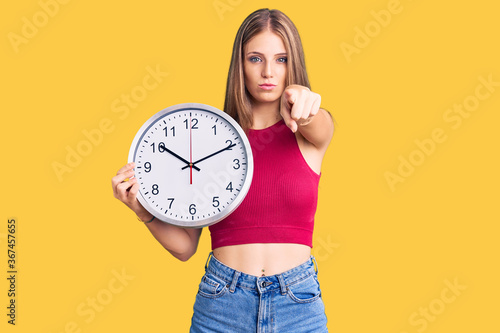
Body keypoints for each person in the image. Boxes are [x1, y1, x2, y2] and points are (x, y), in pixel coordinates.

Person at [112, 8, 334, 332]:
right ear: (240, 65)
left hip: (297, 303)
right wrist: (141, 208)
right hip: (222, 304)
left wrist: (305, 104)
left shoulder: (311, 134)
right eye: (255, 59)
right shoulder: (208, 140)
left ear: (293, 64)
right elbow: (186, 247)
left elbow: (319, 124)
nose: (268, 71)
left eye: (281, 59)